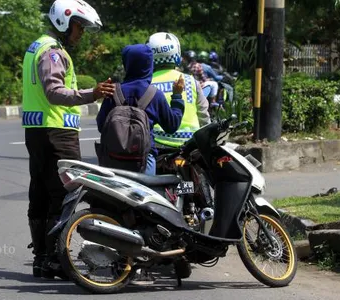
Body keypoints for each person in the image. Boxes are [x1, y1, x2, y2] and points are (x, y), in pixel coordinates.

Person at [22, 0, 115, 280]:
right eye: (79, 26)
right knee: (62, 196)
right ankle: (52, 258)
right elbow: (54, 92)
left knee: (39, 193)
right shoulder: (53, 52)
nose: (81, 33)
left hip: (37, 132)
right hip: (57, 134)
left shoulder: (36, 46)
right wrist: (92, 94)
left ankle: (41, 259)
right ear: (64, 21)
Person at [96, 44, 185, 176]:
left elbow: (101, 125)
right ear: (150, 65)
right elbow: (172, 126)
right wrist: (177, 96)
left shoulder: (112, 91)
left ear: (127, 64)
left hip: (112, 160)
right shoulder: (154, 94)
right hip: (144, 160)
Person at [146, 32, 211, 150]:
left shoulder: (147, 83)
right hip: (190, 144)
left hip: (157, 144)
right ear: (176, 54)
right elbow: (203, 116)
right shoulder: (190, 80)